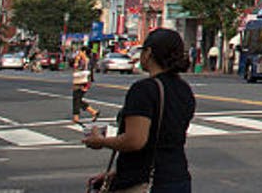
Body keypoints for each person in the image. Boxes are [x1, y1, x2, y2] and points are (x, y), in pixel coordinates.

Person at [82, 28, 197, 193]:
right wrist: (117, 174)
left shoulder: (144, 90)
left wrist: (100, 141)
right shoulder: (184, 89)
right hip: (177, 178)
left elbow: (135, 140)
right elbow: (166, 138)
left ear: (148, 53)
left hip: (146, 183)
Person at [71, 53, 101, 125]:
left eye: (81, 52)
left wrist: (87, 86)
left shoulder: (85, 63)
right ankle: (93, 112)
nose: (78, 54)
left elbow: (88, 75)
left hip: (82, 84)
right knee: (77, 100)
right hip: (78, 83)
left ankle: (76, 117)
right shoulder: (82, 63)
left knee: (76, 100)